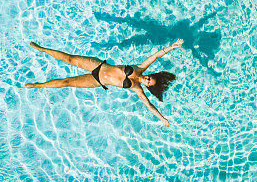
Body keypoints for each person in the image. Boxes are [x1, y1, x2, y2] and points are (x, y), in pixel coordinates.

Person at [24, 39, 182, 127]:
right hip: (98, 65)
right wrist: (172, 47)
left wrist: (161, 119)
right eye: (149, 77)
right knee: (70, 58)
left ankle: (38, 85)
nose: (147, 79)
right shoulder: (140, 68)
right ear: (150, 74)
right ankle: (42, 49)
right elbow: (156, 56)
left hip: (97, 80)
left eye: (149, 82)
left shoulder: (137, 89)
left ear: (148, 87)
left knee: (67, 82)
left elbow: (149, 106)